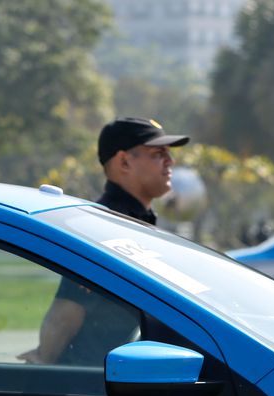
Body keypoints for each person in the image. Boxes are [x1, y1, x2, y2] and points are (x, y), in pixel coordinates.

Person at [19, 117, 188, 365]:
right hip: (87, 384)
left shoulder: (133, 221)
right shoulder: (104, 228)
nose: (170, 162)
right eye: (158, 154)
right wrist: (43, 362)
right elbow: (67, 312)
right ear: (124, 161)